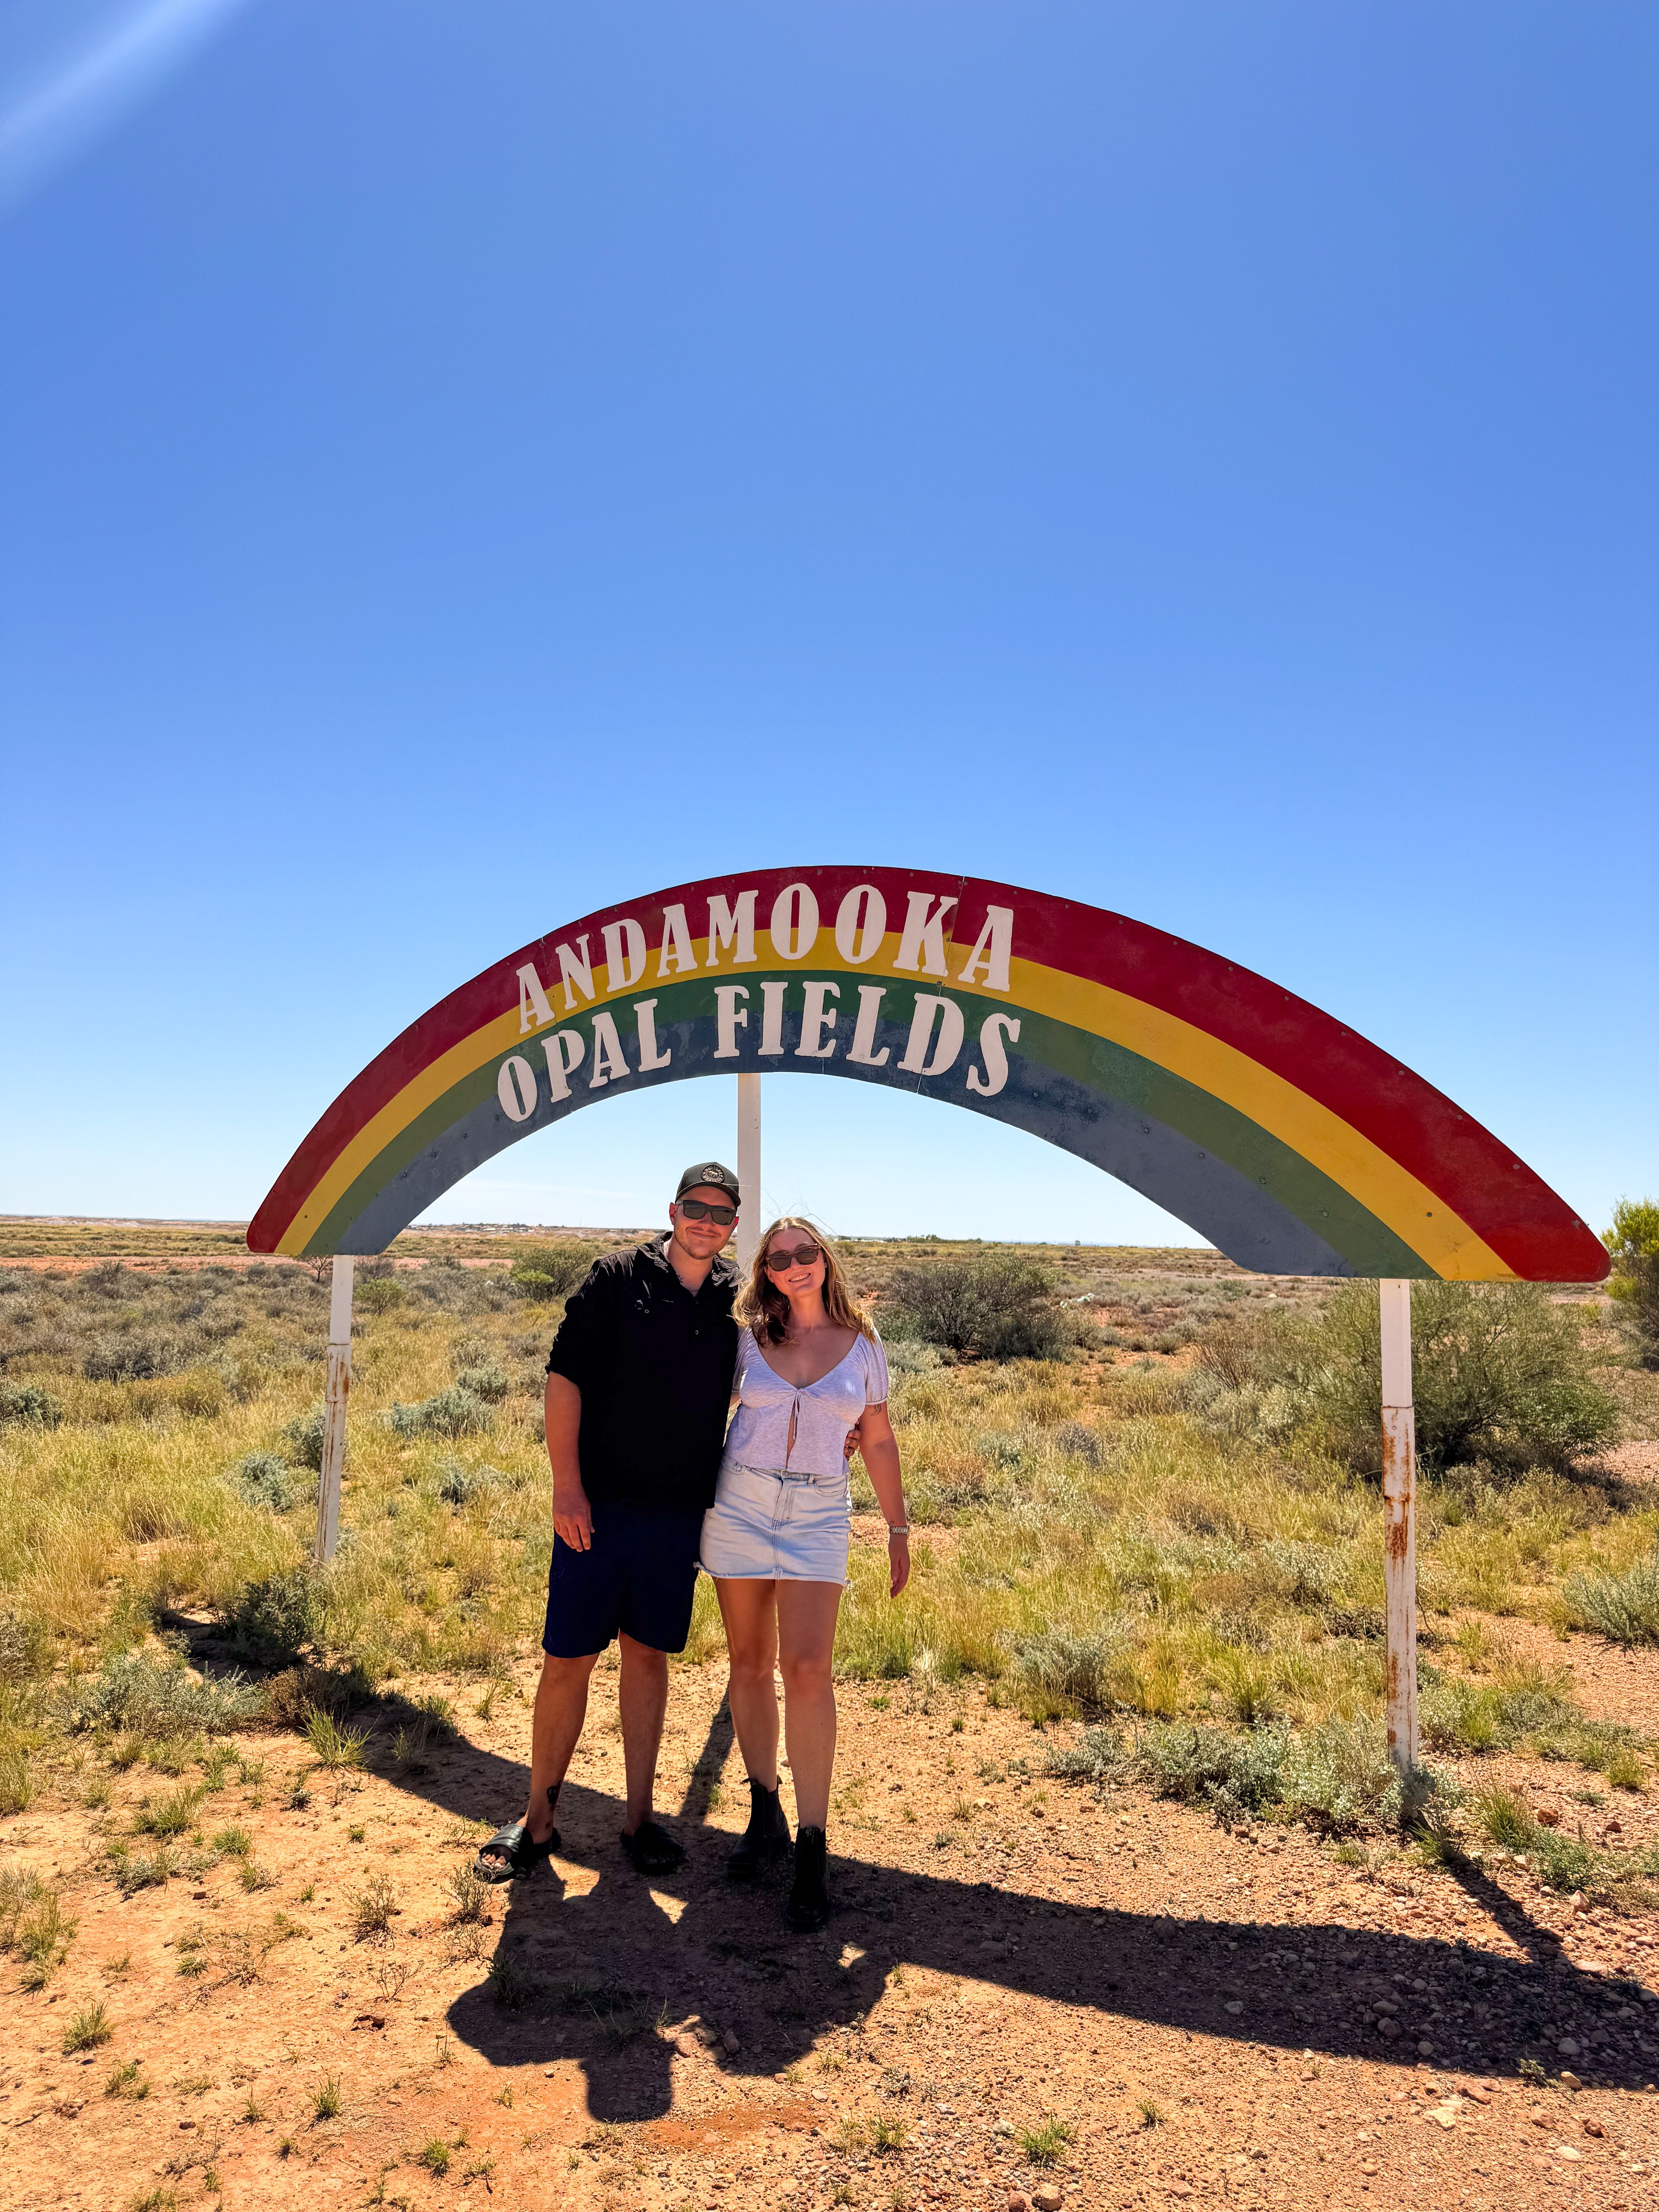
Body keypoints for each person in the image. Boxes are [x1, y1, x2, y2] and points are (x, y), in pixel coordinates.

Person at [474, 1161, 744, 1884]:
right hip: (597, 1510)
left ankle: (639, 1820)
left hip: (678, 1515)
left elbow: (787, 1377)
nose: (706, 1223)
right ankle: (537, 1822)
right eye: (696, 1208)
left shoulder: (737, 1297)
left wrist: (845, 1428)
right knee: (568, 1660)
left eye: (721, 1214)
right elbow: (565, 1382)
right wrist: (568, 1488)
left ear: (734, 1225)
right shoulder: (615, 1278)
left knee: (648, 1659)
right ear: (674, 1209)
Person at [699, 1217, 908, 1931]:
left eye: (805, 1253)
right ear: (766, 1271)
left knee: (810, 1667)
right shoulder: (748, 1340)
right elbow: (698, 1414)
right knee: (751, 1663)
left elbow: (876, 1438)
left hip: (820, 1510)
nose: (794, 1265)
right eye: (779, 1257)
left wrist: (898, 1527)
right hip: (741, 1502)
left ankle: (814, 1848)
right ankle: (764, 1813)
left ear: (824, 1260)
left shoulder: (864, 1346)